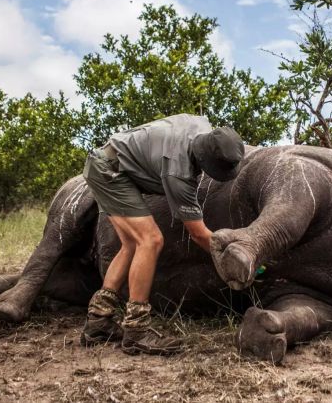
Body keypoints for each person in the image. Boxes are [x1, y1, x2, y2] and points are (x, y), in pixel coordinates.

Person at [80, 113, 244, 355]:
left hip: (107, 162)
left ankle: (98, 321)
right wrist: (234, 257)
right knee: (151, 240)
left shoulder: (201, 126)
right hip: (110, 172)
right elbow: (198, 234)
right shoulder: (178, 171)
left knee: (130, 245)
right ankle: (136, 331)